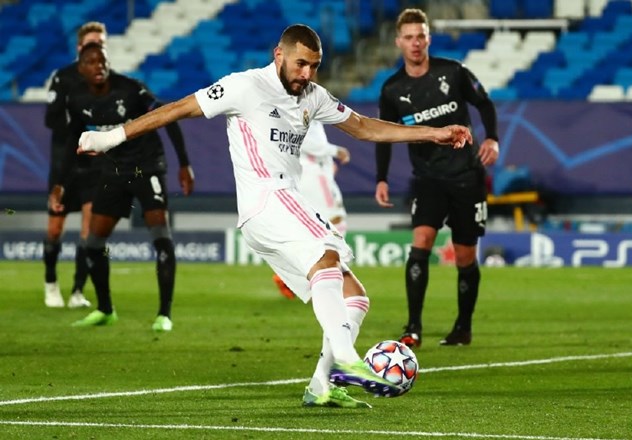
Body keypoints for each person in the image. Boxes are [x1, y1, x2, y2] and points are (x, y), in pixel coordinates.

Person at [76, 25, 471, 407]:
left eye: (314, 66)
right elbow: (178, 108)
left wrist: (432, 132)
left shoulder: (312, 95)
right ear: (279, 55)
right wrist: (111, 137)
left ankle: (322, 385)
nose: (307, 73)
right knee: (328, 255)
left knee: (356, 297)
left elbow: (365, 128)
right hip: (267, 197)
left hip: (277, 208)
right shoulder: (244, 86)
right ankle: (350, 360)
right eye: (301, 64)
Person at [374, 8, 500, 348]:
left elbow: (484, 104)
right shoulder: (392, 89)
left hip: (466, 177)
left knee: (464, 257)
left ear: (428, 38)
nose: (415, 43)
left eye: (421, 36)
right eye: (409, 37)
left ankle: (463, 327)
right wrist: (381, 178)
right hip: (427, 179)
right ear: (399, 42)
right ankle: (413, 327)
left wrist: (491, 138)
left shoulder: (453, 72)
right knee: (422, 243)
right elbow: (385, 135)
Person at [49, 42, 195, 332]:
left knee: (160, 237)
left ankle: (164, 314)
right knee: (93, 244)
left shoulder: (130, 89)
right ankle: (105, 309)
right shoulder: (77, 99)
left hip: (147, 167)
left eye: (102, 61)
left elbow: (167, 117)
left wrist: (183, 163)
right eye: (91, 62)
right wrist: (60, 184)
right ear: (82, 69)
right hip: (114, 171)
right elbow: (71, 143)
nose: (99, 67)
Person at [43, 21, 108, 309]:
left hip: (94, 168)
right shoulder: (63, 77)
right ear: (79, 47)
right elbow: (50, 120)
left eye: (101, 44)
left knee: (88, 231)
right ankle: (50, 283)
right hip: (64, 167)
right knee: (55, 229)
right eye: (92, 43)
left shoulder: (108, 81)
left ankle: (78, 291)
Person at [273, 119, 350, 299]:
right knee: (336, 219)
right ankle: (327, 276)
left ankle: (294, 275)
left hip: (313, 170)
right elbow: (302, 139)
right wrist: (335, 151)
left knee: (314, 226)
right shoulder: (299, 103)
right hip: (313, 173)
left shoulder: (305, 103)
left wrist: (328, 164)